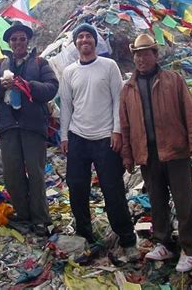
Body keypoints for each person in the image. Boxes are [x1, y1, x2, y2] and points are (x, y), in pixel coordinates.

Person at [119, 33, 192, 272]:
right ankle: (163, 243)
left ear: (155, 55)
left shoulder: (173, 80)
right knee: (157, 202)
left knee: (184, 201)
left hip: (176, 151)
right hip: (148, 155)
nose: (141, 58)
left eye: (146, 53)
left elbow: (189, 113)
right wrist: (127, 155)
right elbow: (125, 125)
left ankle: (189, 248)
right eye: (137, 54)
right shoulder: (128, 88)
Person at [59, 23, 138, 261]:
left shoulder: (109, 66)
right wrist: (64, 136)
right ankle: (85, 235)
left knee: (112, 189)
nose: (84, 40)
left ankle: (127, 238)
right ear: (75, 44)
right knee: (77, 188)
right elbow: (66, 106)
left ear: (95, 41)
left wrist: (117, 131)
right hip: (77, 138)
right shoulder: (69, 72)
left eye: (88, 37)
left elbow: (118, 100)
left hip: (106, 138)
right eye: (80, 37)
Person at [0, 21, 58, 237]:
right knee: (12, 172)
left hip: (33, 126)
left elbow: (52, 87)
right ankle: (22, 214)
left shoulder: (40, 63)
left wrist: (28, 85)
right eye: (14, 39)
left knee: (35, 173)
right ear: (9, 42)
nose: (18, 42)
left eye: (22, 38)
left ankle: (41, 219)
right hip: (8, 127)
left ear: (28, 41)